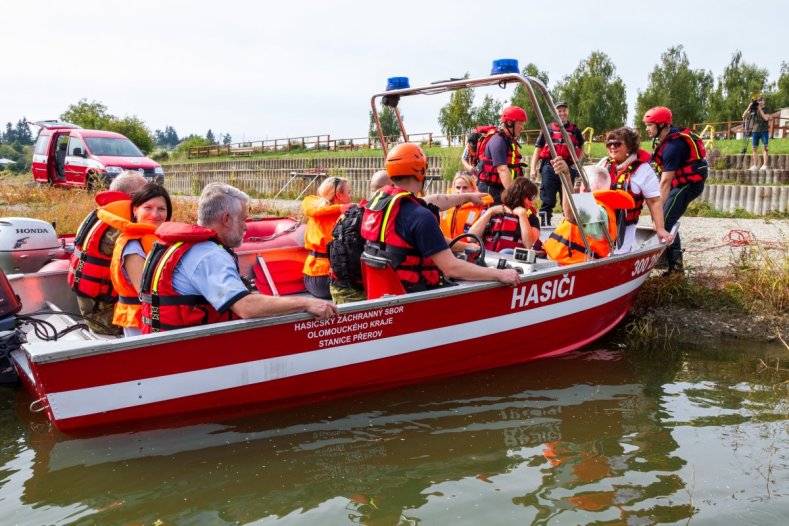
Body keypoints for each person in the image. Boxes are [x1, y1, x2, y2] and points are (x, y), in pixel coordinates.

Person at [139, 183, 337, 334]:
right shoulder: (209, 255)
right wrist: (306, 304)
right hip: (187, 352)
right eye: (243, 219)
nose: (245, 226)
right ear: (226, 219)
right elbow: (245, 307)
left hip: (162, 340)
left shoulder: (179, 246)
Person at [361, 143, 520, 293]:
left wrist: (467, 197)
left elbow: (431, 200)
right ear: (421, 171)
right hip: (415, 297)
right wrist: (500, 275)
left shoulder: (380, 205)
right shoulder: (421, 217)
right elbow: (451, 268)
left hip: (385, 292)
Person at [329, 168, 492, 304]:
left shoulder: (367, 207)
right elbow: (447, 261)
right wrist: (468, 247)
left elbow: (434, 200)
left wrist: (468, 197)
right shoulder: (401, 213)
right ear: (390, 186)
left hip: (341, 286)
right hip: (359, 294)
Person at [68, 170, 147, 335]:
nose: (151, 196)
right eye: (147, 193)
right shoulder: (122, 226)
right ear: (133, 196)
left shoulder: (99, 215)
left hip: (92, 311)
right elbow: (144, 283)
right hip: (106, 319)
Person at [98, 183, 172, 337]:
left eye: (161, 209)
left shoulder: (162, 239)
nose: (155, 214)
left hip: (159, 318)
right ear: (135, 210)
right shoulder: (132, 246)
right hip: (139, 321)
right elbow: (145, 292)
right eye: (148, 207)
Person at [643, 107, 706, 274]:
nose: (647, 129)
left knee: (664, 220)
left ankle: (676, 269)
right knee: (663, 219)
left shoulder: (673, 147)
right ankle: (665, 259)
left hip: (688, 185)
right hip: (678, 183)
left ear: (662, 125)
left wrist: (656, 209)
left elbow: (665, 182)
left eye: (650, 125)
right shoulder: (666, 137)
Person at [543, 162, 634, 265]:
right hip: (558, 260)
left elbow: (571, 216)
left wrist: (566, 177)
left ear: (586, 187)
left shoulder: (598, 208)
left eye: (580, 183)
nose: (579, 187)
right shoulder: (598, 205)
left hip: (570, 265)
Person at [599, 126, 671, 254]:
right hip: (601, 225)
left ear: (630, 146)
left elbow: (654, 201)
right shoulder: (604, 164)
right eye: (609, 144)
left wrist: (660, 228)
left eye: (617, 143)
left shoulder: (643, 170)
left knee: (618, 254)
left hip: (624, 227)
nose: (612, 147)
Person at [530, 100, 585, 226]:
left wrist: (577, 163)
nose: (562, 113)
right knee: (547, 199)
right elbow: (538, 150)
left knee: (568, 198)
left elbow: (582, 148)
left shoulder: (575, 130)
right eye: (559, 110)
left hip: (568, 167)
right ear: (554, 113)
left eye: (564, 110)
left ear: (568, 111)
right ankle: (544, 224)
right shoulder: (547, 129)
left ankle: (568, 225)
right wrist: (533, 168)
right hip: (549, 167)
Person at [302, 176, 352, 299]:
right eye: (349, 192)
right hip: (328, 277)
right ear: (339, 196)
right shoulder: (345, 215)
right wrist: (341, 209)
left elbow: (313, 210)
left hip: (310, 277)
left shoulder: (314, 205)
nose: (351, 196)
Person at [468, 177, 540, 253]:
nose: (533, 202)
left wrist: (522, 216)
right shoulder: (492, 212)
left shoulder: (531, 218)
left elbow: (530, 245)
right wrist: (489, 212)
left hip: (513, 260)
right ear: (520, 195)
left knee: (506, 252)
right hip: (488, 257)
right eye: (531, 197)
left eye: (534, 198)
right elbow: (471, 238)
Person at [475, 106, 528, 205]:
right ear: (509, 123)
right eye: (520, 123)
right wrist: (514, 197)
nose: (522, 127)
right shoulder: (498, 141)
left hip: (501, 188)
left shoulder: (509, 141)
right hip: (491, 190)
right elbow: (502, 170)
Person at [438, 171, 491, 240]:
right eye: (458, 187)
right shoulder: (445, 205)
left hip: (469, 249)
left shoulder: (481, 209)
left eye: (465, 188)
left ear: (473, 188)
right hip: (446, 247)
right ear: (453, 188)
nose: (461, 192)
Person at [742, 97, 771, 170]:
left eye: (761, 100)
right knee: (754, 148)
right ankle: (755, 165)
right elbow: (743, 116)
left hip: (764, 130)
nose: (760, 102)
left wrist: (760, 109)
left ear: (764, 101)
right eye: (758, 101)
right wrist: (749, 107)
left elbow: (766, 118)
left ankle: (765, 165)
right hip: (755, 131)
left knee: (765, 147)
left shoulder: (767, 109)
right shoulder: (753, 109)